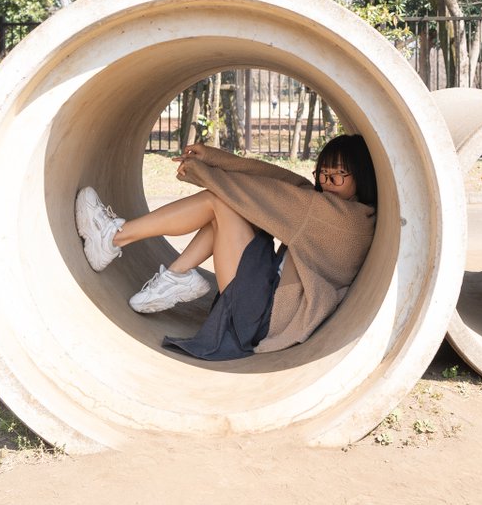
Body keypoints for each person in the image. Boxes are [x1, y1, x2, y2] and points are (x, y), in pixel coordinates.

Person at [74, 134, 378, 360]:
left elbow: (266, 192)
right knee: (233, 207)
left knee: (219, 201)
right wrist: (213, 158)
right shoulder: (346, 211)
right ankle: (176, 276)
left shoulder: (338, 218)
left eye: (337, 174)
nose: (326, 180)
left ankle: (115, 238)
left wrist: (205, 173)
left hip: (263, 318)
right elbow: (280, 180)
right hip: (264, 301)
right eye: (322, 172)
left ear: (360, 177)